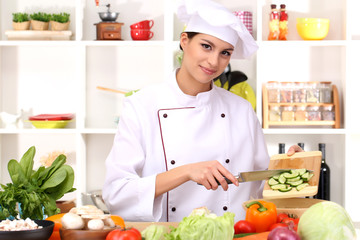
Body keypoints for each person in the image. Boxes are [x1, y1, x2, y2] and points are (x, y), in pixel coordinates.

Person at [103, 0, 303, 222]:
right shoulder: (141, 106)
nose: (214, 61)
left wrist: (288, 168)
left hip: (232, 234)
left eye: (225, 53)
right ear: (184, 41)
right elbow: (117, 194)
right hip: (170, 235)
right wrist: (186, 172)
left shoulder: (241, 110)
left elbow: (260, 187)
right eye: (206, 46)